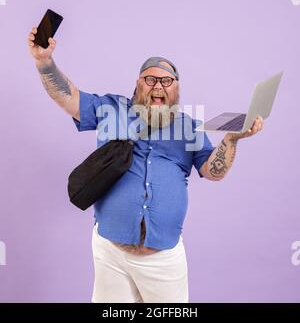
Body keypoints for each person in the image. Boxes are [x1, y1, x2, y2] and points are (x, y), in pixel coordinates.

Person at [28, 28, 264, 303]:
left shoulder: (188, 127)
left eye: (167, 81)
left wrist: (232, 139)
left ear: (176, 89)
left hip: (163, 258)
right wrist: (44, 62)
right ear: (137, 84)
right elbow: (68, 98)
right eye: (150, 79)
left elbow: (213, 172)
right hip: (110, 252)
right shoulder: (111, 109)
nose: (158, 86)